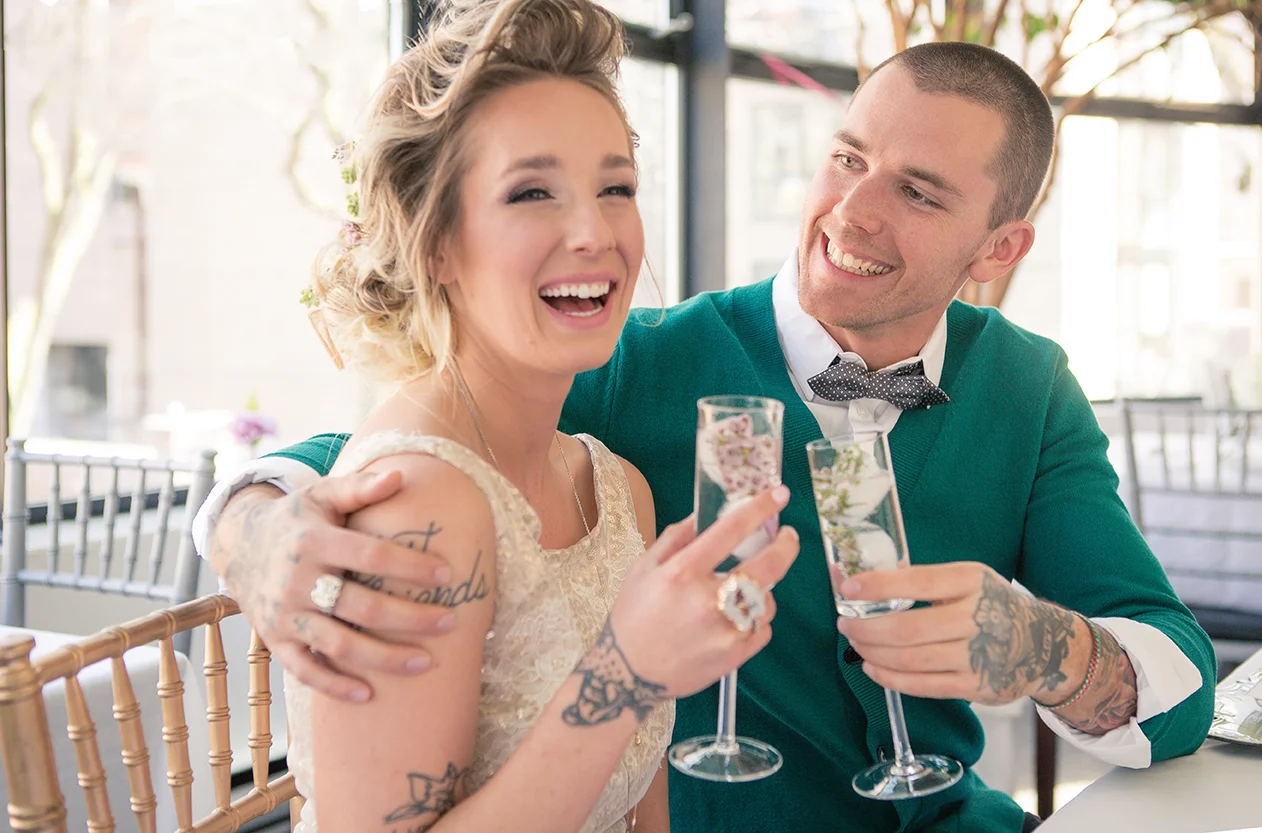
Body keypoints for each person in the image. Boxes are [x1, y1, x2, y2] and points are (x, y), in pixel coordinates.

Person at [197, 37, 1215, 833]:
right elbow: (377, 459)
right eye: (847, 158)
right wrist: (254, 530)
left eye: (914, 190)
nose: (847, 213)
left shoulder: (1029, 386)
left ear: (997, 245)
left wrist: (1044, 646)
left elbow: (1175, 680)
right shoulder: (623, 359)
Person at [240, 1, 801, 831]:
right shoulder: (412, 508)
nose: (593, 231)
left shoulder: (617, 490)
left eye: (617, 187)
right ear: (436, 243)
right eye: (532, 191)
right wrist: (627, 672)